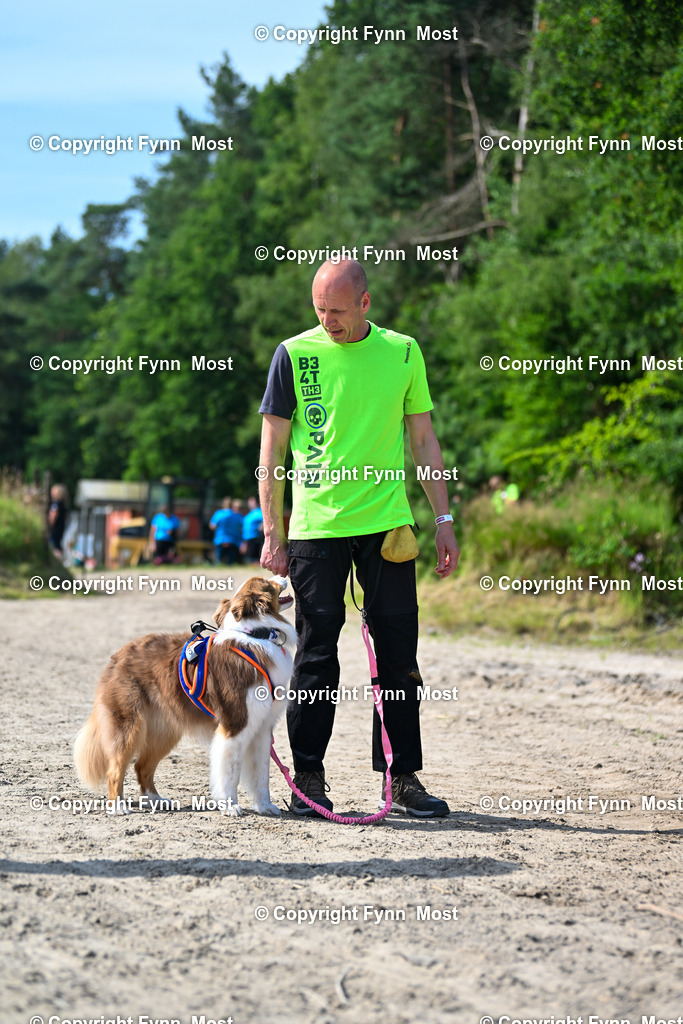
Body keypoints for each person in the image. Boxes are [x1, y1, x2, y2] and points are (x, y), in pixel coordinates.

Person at [258, 258, 459, 819]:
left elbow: (423, 439)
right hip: (316, 528)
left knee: (399, 656)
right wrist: (273, 529)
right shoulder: (293, 354)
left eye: (339, 311)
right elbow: (272, 449)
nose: (328, 321)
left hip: (387, 523)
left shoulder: (402, 351)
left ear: (365, 303)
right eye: (320, 309)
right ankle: (310, 776)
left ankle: (402, 780)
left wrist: (443, 520)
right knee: (317, 654)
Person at [209, 497, 243, 565]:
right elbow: (241, 528)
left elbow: (212, 526)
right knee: (231, 562)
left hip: (220, 539)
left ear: (223, 504)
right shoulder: (237, 515)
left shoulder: (219, 514)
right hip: (233, 540)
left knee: (218, 561)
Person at [48, 483, 69, 560]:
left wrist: (49, 524)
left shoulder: (56, 503)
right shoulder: (63, 504)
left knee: (54, 545)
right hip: (61, 527)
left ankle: (57, 561)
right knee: (58, 544)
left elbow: (54, 514)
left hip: (55, 528)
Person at [241, 496, 264, 563]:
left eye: (252, 502)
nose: (250, 504)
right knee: (249, 558)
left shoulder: (260, 512)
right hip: (247, 538)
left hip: (256, 538)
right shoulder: (250, 514)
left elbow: (266, 521)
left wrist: (261, 526)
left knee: (254, 558)